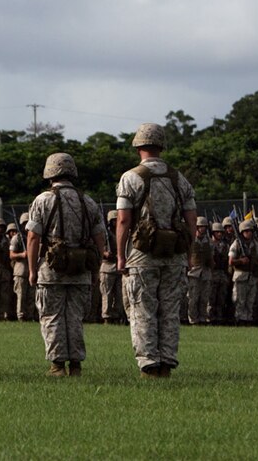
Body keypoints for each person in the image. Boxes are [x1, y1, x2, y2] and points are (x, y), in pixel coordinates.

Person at [115, 123, 197, 378]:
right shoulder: (179, 178)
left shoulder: (130, 177)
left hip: (142, 254)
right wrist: (188, 251)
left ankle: (149, 364)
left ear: (139, 146)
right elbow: (192, 218)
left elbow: (123, 220)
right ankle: (167, 362)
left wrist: (120, 254)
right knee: (170, 309)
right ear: (161, 146)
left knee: (143, 308)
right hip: (175, 253)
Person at [26, 152, 105, 377]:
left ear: (49, 173)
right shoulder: (87, 201)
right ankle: (76, 365)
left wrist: (32, 269)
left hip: (51, 270)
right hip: (81, 270)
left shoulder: (42, 200)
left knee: (52, 317)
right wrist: (96, 269)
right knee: (75, 318)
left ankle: (57, 365)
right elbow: (100, 238)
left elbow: (33, 238)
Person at [229, 220, 258, 325]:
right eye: (246, 231)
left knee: (250, 300)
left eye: (250, 231)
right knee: (240, 300)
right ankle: (239, 319)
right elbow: (230, 261)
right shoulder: (236, 244)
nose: (249, 233)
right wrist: (240, 261)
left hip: (252, 276)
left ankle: (248, 319)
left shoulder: (255, 244)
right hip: (241, 275)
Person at [98, 211, 125, 325]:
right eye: (114, 220)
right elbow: (98, 246)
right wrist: (104, 253)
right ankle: (107, 316)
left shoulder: (122, 232)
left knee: (120, 294)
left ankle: (118, 315)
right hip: (107, 267)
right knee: (107, 294)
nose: (115, 222)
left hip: (119, 268)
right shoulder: (105, 234)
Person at [186, 217, 212, 325]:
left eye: (204, 227)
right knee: (193, 298)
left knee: (204, 298)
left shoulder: (208, 241)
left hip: (205, 271)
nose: (203, 229)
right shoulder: (191, 240)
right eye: (201, 227)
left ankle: (203, 318)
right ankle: (193, 319)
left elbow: (211, 256)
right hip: (194, 272)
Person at [9, 213, 35, 321]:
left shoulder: (33, 236)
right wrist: (22, 255)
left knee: (31, 296)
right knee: (21, 296)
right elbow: (11, 255)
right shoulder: (17, 238)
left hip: (31, 270)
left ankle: (30, 315)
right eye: (25, 223)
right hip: (20, 270)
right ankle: (21, 316)